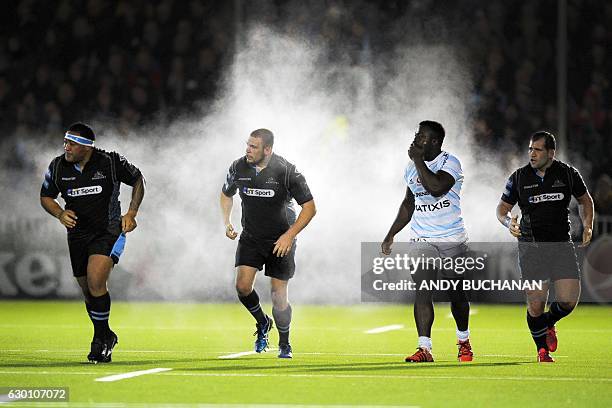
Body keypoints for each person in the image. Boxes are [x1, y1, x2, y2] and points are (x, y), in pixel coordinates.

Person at [40, 122, 145, 363]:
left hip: (108, 230)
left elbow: (138, 179)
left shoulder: (110, 161)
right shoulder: (57, 166)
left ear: (86, 147)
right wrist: (59, 213)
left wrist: (131, 213)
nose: (66, 147)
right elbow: (46, 196)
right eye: (65, 142)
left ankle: (100, 339)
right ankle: (106, 333)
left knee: (97, 281)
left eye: (72, 143)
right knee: (88, 290)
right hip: (77, 234)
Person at [496, 131, 593, 363]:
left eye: (537, 150)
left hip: (561, 245)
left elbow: (585, 199)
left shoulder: (568, 173)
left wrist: (588, 225)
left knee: (569, 301)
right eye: (530, 149)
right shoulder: (519, 177)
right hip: (531, 247)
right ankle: (542, 351)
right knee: (536, 301)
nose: (532, 153)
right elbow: (501, 209)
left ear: (551, 153)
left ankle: (548, 323)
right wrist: (509, 222)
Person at [382, 120, 473, 363]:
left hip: (452, 238)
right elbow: (409, 203)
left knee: (457, 292)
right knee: (423, 287)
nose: (415, 138)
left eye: (421, 136)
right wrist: (391, 233)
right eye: (416, 134)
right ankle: (425, 348)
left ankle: (463, 340)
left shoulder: (450, 163)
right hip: (422, 239)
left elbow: (436, 188)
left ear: (434, 142)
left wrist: (418, 161)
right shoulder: (411, 168)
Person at [220, 128, 316, 359]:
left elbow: (310, 208)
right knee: (242, 287)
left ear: (268, 149)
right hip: (251, 237)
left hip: (280, 240)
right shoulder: (238, 167)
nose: (248, 150)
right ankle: (263, 322)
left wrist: (289, 236)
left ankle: (285, 343)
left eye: (253, 146)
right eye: (247, 145)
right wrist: (227, 222)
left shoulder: (287, 171)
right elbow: (226, 194)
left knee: (277, 295)